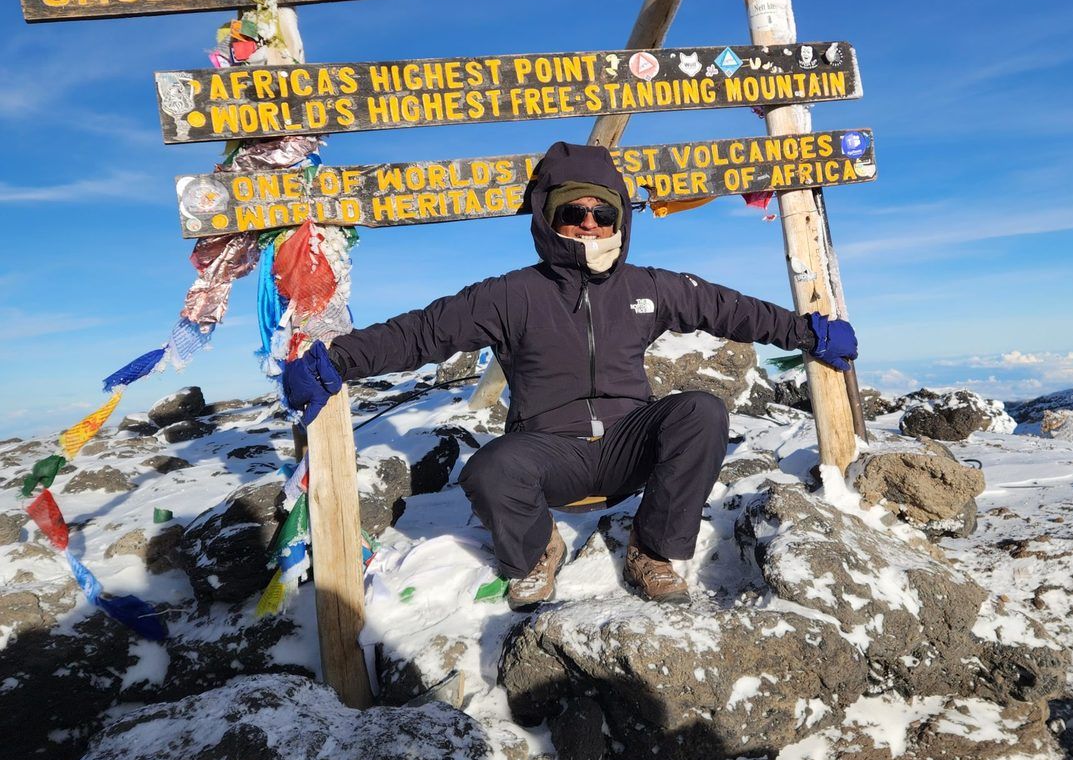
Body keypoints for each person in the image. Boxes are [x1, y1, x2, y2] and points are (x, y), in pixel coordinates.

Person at [283, 141, 857, 609]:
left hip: (631, 443)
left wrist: (807, 331)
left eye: (602, 213)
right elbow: (422, 332)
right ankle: (536, 553)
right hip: (549, 450)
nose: (588, 224)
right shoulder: (511, 295)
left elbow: (729, 308)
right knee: (488, 468)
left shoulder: (647, 287)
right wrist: (338, 359)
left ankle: (652, 551)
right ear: (547, 217)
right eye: (571, 212)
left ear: (620, 220)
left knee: (701, 411)